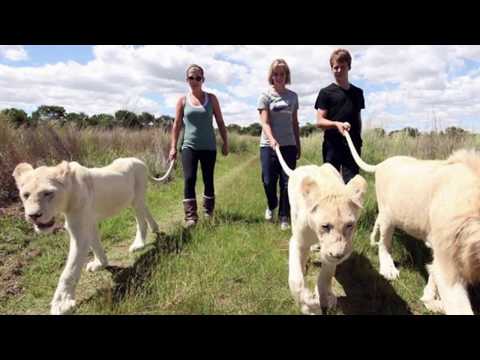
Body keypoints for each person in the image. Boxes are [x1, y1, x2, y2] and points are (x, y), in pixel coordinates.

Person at [169, 64, 229, 227]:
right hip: (189, 146)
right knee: (189, 179)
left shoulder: (212, 98)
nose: (194, 80)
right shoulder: (182, 101)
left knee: (208, 179)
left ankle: (208, 212)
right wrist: (173, 147)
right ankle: (190, 217)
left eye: (198, 78)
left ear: (203, 79)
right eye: (191, 77)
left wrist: (225, 142)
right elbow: (176, 126)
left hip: (209, 146)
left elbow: (221, 122)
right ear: (187, 79)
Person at [257, 59, 301, 231]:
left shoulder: (293, 97)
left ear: (286, 75)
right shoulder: (265, 96)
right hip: (269, 146)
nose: (279, 77)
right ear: (271, 76)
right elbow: (265, 122)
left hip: (288, 145)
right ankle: (271, 204)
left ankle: (284, 216)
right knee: (268, 181)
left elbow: (295, 122)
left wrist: (298, 143)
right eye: (276, 74)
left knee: (287, 182)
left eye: (282, 74)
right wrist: (272, 139)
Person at [315, 48, 365, 184]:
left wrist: (358, 140)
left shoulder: (358, 93)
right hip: (332, 146)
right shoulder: (326, 93)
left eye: (342, 67)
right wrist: (336, 124)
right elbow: (319, 121)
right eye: (335, 67)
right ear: (331, 68)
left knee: (351, 184)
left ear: (349, 67)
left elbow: (358, 119)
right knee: (331, 184)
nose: (338, 70)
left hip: (353, 145)